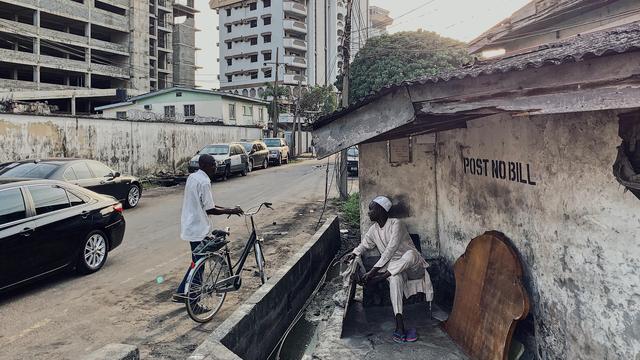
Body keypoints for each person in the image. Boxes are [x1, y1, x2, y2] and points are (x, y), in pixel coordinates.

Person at [345, 196, 433, 343]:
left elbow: (390, 251)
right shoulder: (373, 230)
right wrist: (354, 253)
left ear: (381, 210)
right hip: (394, 270)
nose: (369, 213)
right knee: (395, 279)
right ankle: (400, 326)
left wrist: (373, 274)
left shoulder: (396, 224)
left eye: (371, 209)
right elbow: (364, 245)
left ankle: (380, 278)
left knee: (411, 254)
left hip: (414, 268)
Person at [173, 154, 243, 304]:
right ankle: (193, 301)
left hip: (190, 226)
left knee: (196, 261)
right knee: (200, 265)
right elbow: (210, 209)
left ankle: (181, 292)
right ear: (205, 166)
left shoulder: (193, 177)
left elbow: (208, 205)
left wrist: (229, 209)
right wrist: (230, 211)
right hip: (198, 228)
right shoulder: (204, 182)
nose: (215, 167)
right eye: (213, 164)